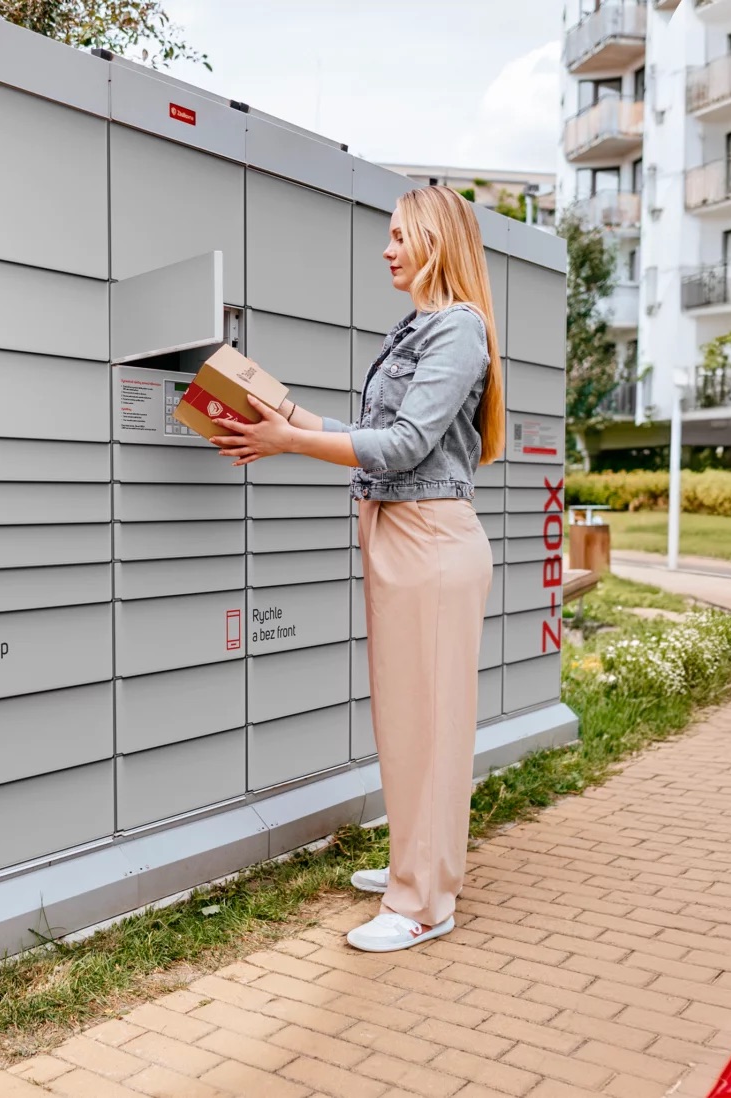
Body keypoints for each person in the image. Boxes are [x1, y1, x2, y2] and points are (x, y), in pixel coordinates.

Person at [207, 185, 503, 953]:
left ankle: (426, 903)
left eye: (400, 235)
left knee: (431, 725)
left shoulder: (458, 331)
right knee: (407, 720)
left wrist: (288, 443)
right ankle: (416, 862)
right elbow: (368, 432)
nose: (388, 248)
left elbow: (402, 446)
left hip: (429, 540)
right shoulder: (418, 327)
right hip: (401, 536)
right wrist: (276, 410)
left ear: (437, 239)